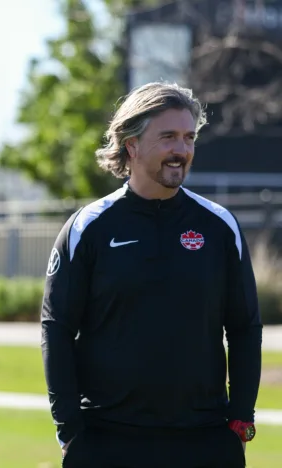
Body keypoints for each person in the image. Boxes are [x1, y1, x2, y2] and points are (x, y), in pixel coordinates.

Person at [40, 81, 263, 468]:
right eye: (169, 137)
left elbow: (245, 327)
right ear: (132, 145)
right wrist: (70, 429)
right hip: (107, 440)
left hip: (204, 441)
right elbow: (56, 329)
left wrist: (240, 422)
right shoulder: (87, 228)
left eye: (189, 137)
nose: (182, 150)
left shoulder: (219, 226)